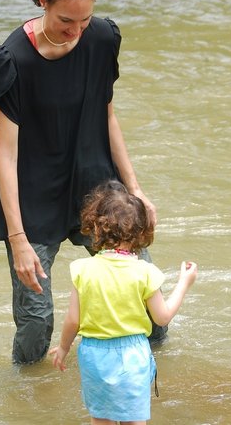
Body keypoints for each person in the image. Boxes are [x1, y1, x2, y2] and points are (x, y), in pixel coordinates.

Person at [0, 0, 166, 365]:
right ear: (42, 1)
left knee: (150, 307)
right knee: (36, 322)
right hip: (33, 199)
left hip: (99, 190)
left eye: (85, 21)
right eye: (67, 21)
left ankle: (156, 378)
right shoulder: (13, 60)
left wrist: (135, 191)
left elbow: (108, 114)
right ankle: (26, 397)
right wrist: (18, 239)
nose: (76, 32)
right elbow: (6, 155)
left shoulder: (102, 39)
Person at [49, 180, 198, 425]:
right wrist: (184, 282)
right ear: (141, 232)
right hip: (132, 355)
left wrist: (64, 348)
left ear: (96, 227)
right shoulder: (145, 272)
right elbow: (162, 318)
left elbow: (73, 320)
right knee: (133, 421)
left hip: (94, 354)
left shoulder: (82, 269)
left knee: (101, 419)